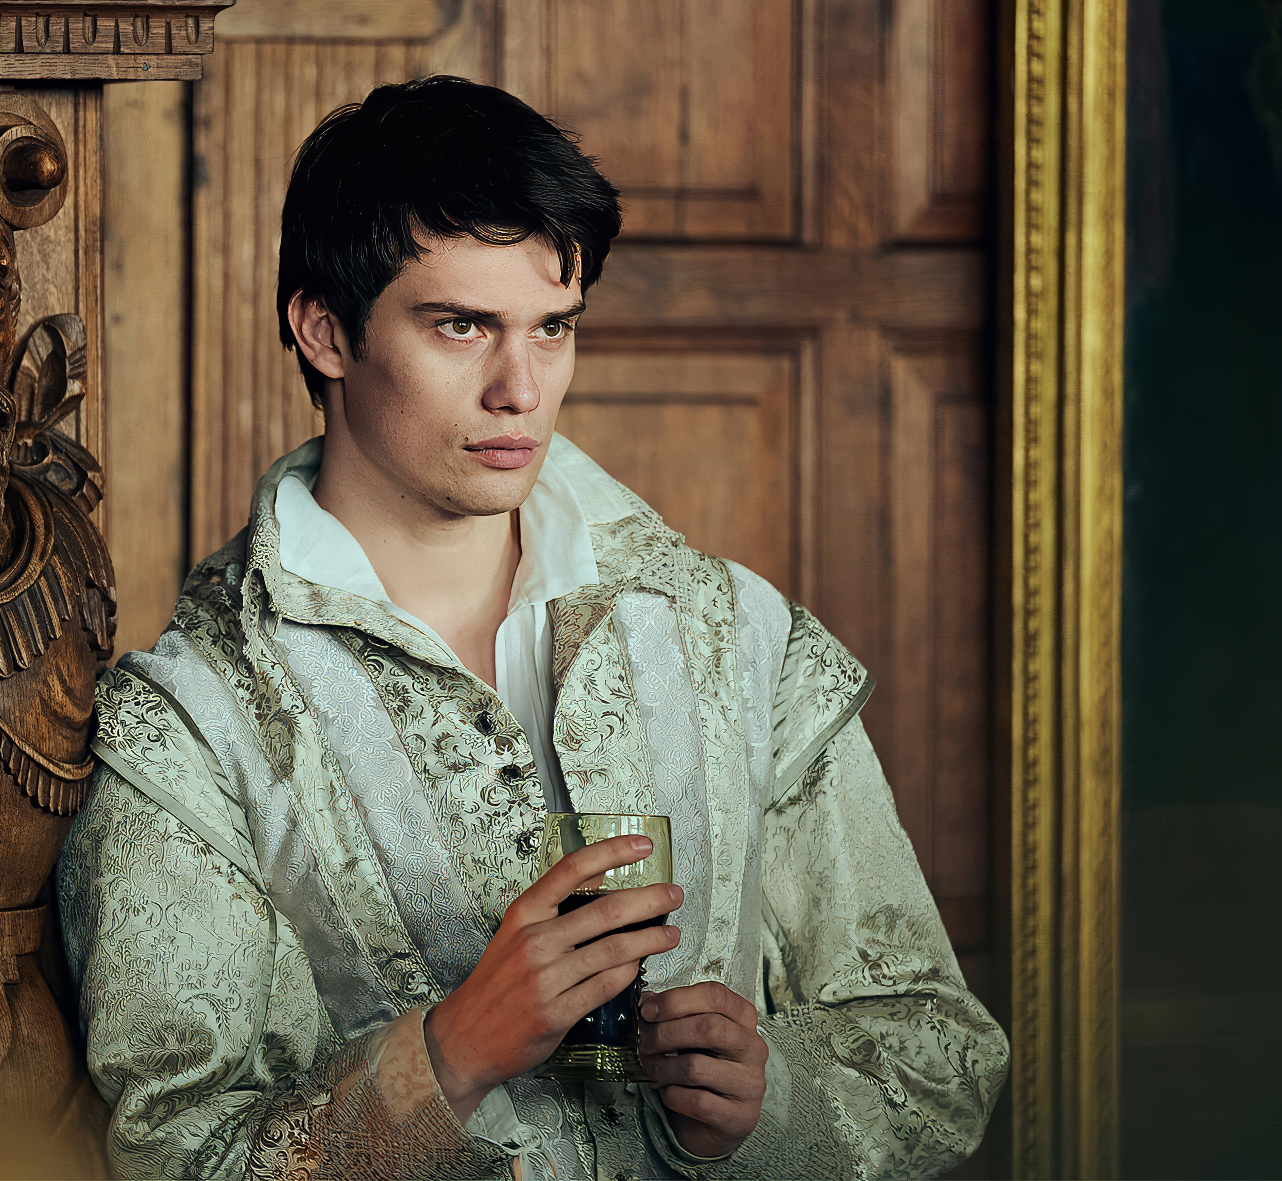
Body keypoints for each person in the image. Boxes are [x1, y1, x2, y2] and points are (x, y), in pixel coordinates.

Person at [57, 76, 1007, 1179]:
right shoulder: (189, 724)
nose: (521, 388)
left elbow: (938, 1063)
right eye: (461, 326)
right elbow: (170, 1158)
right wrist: (447, 1057)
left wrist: (770, 1105)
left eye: (552, 328)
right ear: (325, 330)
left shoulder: (736, 637)